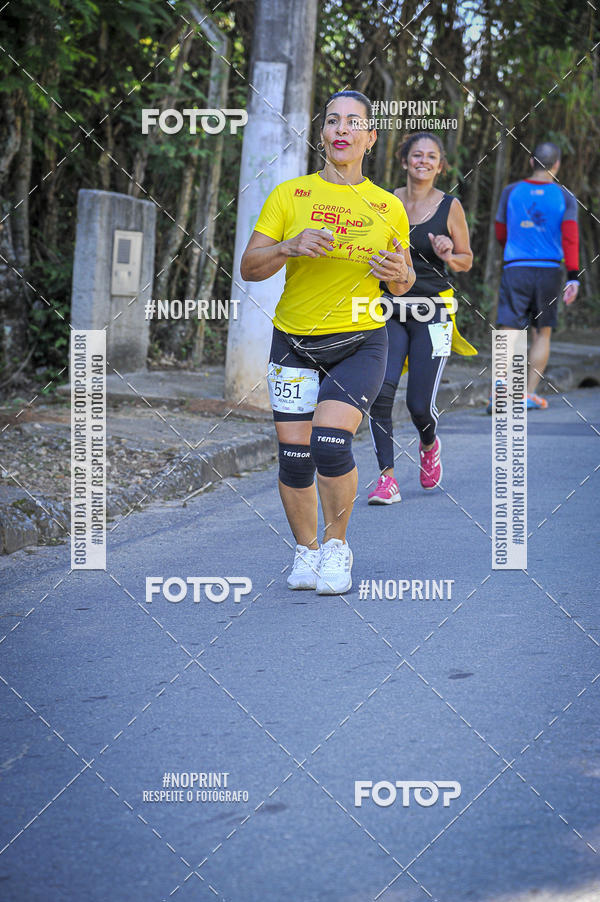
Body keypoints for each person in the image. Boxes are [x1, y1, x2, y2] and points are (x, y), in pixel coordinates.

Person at [240, 91, 414, 594]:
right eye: (332, 121)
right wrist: (289, 246)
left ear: (370, 138)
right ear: (322, 134)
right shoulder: (290, 195)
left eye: (353, 122)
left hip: (361, 339)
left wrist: (399, 274)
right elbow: (251, 268)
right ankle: (307, 552)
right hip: (294, 340)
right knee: (294, 457)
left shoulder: (388, 206)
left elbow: (401, 283)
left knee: (331, 442)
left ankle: (337, 548)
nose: (341, 129)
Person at [367, 132, 476, 505]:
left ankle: (429, 445)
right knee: (380, 393)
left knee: (418, 404)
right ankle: (387, 478)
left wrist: (448, 254)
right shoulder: (385, 201)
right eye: (417, 155)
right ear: (404, 161)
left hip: (435, 311)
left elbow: (466, 260)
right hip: (389, 308)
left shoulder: (451, 207)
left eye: (431, 157)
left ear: (440, 166)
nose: (423, 161)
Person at [489, 140, 579, 412]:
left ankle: (498, 394)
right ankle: (526, 394)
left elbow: (500, 231)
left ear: (531, 162)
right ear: (557, 165)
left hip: (516, 267)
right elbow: (570, 238)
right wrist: (573, 276)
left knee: (508, 330)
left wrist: (517, 247)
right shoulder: (565, 196)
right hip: (550, 270)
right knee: (542, 333)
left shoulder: (511, 191)